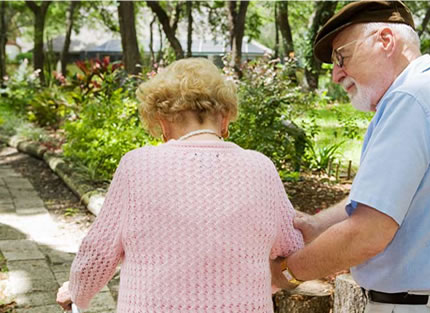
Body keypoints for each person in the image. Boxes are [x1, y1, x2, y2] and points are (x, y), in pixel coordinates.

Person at [271, 1, 430, 312]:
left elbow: (367, 234)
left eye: (342, 57)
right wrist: (317, 225)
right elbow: (389, 199)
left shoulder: (409, 100)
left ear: (385, 40)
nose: (336, 76)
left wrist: (287, 273)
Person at [56, 58, 304, 312]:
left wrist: (75, 293)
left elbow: (99, 252)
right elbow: (293, 248)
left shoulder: (137, 167)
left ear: (162, 121)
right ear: (225, 118)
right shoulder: (261, 168)